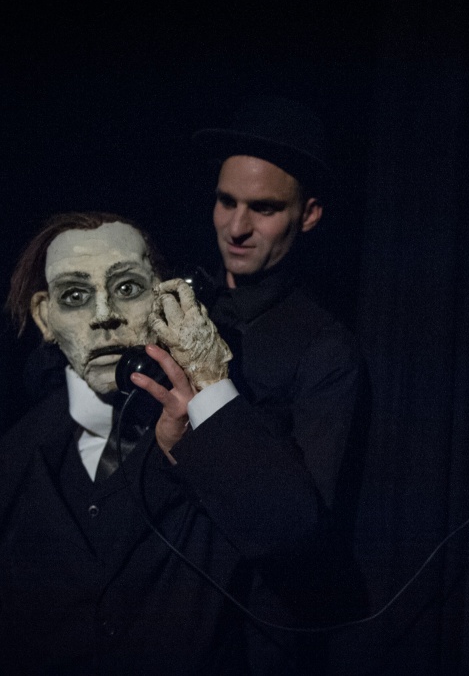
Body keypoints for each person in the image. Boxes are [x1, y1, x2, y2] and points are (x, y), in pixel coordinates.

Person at [0, 205, 355, 674]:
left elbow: (293, 539)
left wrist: (210, 389)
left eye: (127, 289)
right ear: (45, 317)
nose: (104, 316)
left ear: (165, 299)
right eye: (75, 295)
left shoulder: (213, 432)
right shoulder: (19, 448)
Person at [130, 97, 369, 673]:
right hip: (152, 622)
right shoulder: (185, 303)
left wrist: (205, 415)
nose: (237, 228)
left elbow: (299, 535)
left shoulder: (325, 349)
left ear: (308, 214)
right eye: (226, 201)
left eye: (263, 208)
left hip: (243, 642)